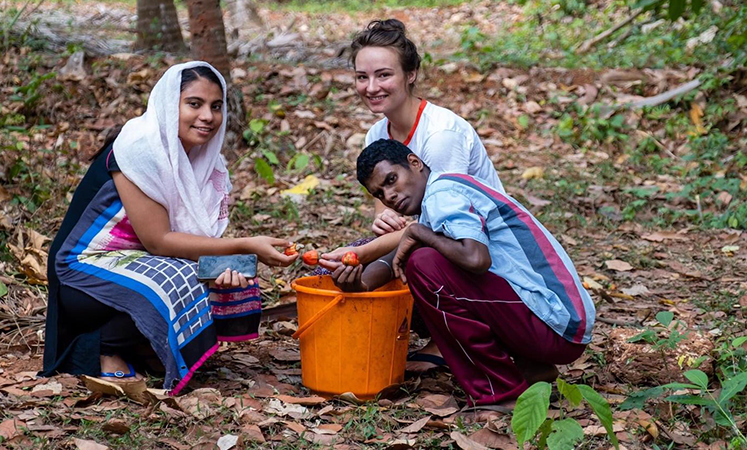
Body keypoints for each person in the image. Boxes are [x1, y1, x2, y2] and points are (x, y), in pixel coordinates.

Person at [40, 62, 298, 395]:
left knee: (230, 274)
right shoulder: (137, 150)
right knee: (188, 277)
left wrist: (230, 260)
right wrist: (243, 244)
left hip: (137, 261)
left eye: (216, 107)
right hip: (82, 269)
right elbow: (159, 241)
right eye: (194, 104)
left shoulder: (205, 162)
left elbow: (195, 244)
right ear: (167, 105)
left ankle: (143, 344)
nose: (207, 116)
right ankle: (104, 347)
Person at [332, 139, 595, 413]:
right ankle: (532, 367)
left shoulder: (443, 193)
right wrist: (358, 283)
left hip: (555, 326)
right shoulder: (438, 198)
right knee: (425, 257)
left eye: (391, 179)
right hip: (561, 326)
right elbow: (392, 261)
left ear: (414, 163)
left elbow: (475, 259)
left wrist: (419, 234)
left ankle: (499, 393)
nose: (390, 196)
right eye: (380, 193)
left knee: (424, 265)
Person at [317, 19, 506, 370]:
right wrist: (379, 222)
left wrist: (359, 254)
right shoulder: (377, 136)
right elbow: (387, 212)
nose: (371, 87)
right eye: (362, 77)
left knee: (403, 257)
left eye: (383, 75)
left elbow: (445, 227)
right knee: (369, 256)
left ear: (411, 74)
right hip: (433, 237)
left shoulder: (440, 136)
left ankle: (452, 341)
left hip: (482, 248)